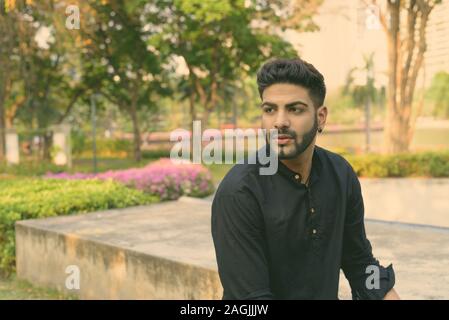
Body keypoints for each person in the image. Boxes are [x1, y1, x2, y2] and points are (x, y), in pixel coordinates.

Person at [211, 58, 399, 300]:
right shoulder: (240, 191)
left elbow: (361, 263)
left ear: (320, 117)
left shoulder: (340, 173)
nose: (279, 121)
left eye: (294, 109)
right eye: (270, 109)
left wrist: (386, 293)